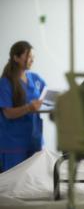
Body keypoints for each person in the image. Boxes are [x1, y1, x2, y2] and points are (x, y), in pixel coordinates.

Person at [0, 41, 46, 172]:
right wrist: (29, 108)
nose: (32, 59)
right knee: (12, 186)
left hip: (34, 141)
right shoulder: (5, 83)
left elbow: (46, 97)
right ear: (16, 57)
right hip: (13, 145)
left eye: (32, 56)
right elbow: (8, 113)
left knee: (33, 184)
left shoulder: (36, 79)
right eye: (28, 56)